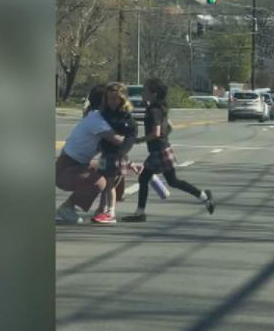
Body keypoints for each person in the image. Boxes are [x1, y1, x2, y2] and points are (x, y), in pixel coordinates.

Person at [122, 78, 214, 222]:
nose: (143, 93)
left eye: (145, 90)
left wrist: (140, 140)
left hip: (158, 151)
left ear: (154, 94)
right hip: (163, 148)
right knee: (172, 181)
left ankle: (140, 213)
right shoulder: (159, 108)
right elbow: (169, 126)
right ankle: (203, 196)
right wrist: (163, 139)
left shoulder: (153, 110)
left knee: (145, 178)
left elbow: (156, 133)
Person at [55, 84, 128, 223]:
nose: (115, 101)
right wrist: (137, 136)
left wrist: (129, 164)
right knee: (99, 182)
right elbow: (117, 140)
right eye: (111, 98)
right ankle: (67, 207)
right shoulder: (96, 119)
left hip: (80, 165)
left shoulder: (101, 118)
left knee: (115, 167)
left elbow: (112, 149)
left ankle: (102, 209)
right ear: (103, 101)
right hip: (65, 169)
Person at [90, 82, 138, 224]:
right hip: (106, 155)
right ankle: (102, 208)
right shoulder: (105, 114)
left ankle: (110, 212)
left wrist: (122, 153)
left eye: (115, 98)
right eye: (109, 98)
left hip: (117, 155)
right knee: (106, 184)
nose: (112, 101)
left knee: (109, 184)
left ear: (122, 99)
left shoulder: (125, 118)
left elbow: (130, 136)